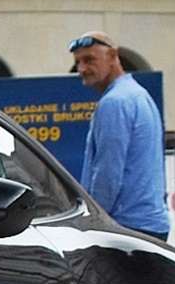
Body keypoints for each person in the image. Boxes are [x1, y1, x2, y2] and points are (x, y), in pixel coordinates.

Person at [69, 31, 167, 235]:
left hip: (126, 225)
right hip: (149, 223)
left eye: (89, 60)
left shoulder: (114, 103)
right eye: (78, 62)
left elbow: (108, 172)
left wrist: (94, 221)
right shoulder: (139, 95)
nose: (82, 69)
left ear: (113, 56)